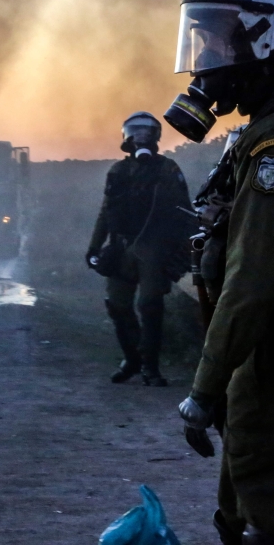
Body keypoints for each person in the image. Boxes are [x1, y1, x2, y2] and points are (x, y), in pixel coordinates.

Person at [167, 0, 274, 545]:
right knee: (246, 507)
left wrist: (204, 391)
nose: (204, 58)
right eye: (197, 36)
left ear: (266, 35)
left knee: (271, 520)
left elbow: (253, 280)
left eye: (215, 38)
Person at [86, 112, 191, 386]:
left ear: (156, 136)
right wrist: (95, 246)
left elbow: (183, 210)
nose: (141, 136)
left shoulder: (167, 169)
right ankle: (132, 359)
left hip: (154, 246)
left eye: (147, 131)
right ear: (127, 137)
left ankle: (151, 367)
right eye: (136, 130)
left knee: (150, 305)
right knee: (118, 305)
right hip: (121, 245)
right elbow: (106, 211)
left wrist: (184, 248)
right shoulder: (118, 171)